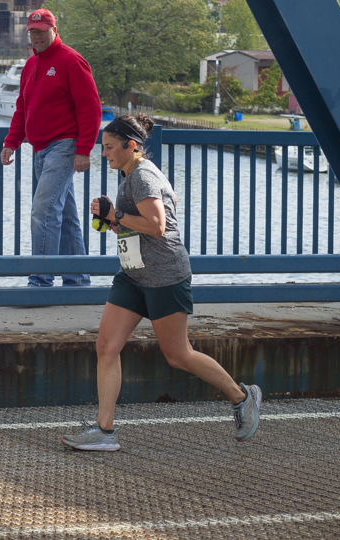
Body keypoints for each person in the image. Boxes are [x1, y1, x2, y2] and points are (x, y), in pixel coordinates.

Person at [61, 114, 261, 450]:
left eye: (109, 147)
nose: (104, 153)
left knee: (178, 355)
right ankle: (105, 431)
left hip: (164, 275)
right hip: (133, 274)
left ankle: (242, 397)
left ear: (131, 145)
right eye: (103, 147)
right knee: (107, 347)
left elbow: (157, 225)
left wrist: (115, 215)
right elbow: (156, 213)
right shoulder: (132, 173)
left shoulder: (143, 176)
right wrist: (116, 222)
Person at [0, 9, 102, 287]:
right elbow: (23, 108)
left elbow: (90, 108)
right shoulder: (31, 64)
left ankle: (41, 281)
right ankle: (77, 281)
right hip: (40, 149)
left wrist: (84, 149)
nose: (37, 36)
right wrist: (12, 142)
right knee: (65, 217)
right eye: (33, 31)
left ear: (54, 30)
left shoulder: (71, 61)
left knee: (43, 211)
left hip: (64, 146)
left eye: (42, 31)